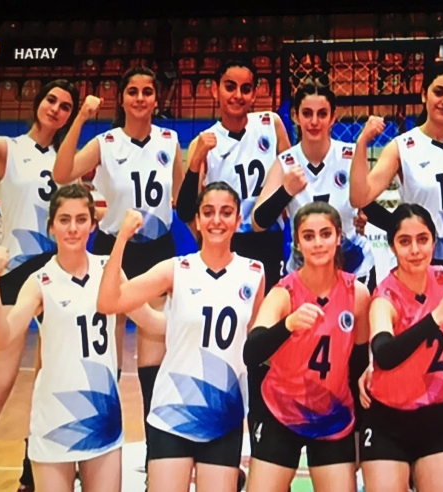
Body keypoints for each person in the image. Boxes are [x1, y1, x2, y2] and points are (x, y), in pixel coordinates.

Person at [0, 184, 164, 492]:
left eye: (81, 219)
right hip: (54, 420)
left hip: (102, 418)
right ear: (51, 226)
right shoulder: (40, 281)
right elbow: (3, 338)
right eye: (64, 220)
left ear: (93, 225)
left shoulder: (109, 270)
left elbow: (150, 321)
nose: (73, 228)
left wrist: (192, 317)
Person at [52, 66, 184, 465]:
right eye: (132, 91)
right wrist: (80, 118)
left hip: (158, 249)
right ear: (122, 98)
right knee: (105, 356)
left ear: (156, 99)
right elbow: (62, 173)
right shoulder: (106, 142)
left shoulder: (170, 139)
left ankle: (157, 454)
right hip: (115, 250)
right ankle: (97, 447)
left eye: (147, 91)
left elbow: (181, 196)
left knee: (152, 357)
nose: (140, 98)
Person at [96, 181, 264, 492]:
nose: (216, 220)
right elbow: (108, 302)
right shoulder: (176, 270)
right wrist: (120, 239)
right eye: (208, 212)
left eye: (226, 212)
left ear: (238, 219)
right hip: (171, 412)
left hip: (223, 415)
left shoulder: (254, 273)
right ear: (197, 220)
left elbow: (252, 345)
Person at [0, 79, 80, 492]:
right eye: (51, 100)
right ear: (38, 102)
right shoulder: (5, 147)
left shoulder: (68, 161)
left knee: (50, 380)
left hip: (56, 274)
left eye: (66, 106)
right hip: (14, 272)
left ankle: (32, 475)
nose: (56, 109)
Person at [243, 201, 370, 492]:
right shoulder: (283, 293)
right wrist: (287, 325)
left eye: (325, 234)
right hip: (281, 411)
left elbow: (359, 365)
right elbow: (252, 353)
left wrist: (360, 432)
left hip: (333, 416)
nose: (318, 243)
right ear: (297, 243)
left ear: (338, 237)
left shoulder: (357, 294)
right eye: (309, 236)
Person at [350, 62, 443, 284]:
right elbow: (360, 197)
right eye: (439, 92)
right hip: (424, 259)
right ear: (424, 95)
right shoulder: (401, 147)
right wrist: (362, 142)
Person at [357, 203, 443, 492]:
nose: (415, 250)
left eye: (422, 239)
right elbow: (384, 354)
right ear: (392, 246)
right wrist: (436, 317)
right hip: (388, 420)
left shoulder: (442, 277)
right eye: (404, 241)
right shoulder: (384, 297)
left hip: (438, 416)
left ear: (433, 241)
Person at [253, 80, 389, 290]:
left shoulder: (350, 155)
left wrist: (403, 225)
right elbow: (258, 222)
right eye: (307, 113)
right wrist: (285, 192)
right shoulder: (286, 162)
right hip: (303, 273)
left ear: (333, 117)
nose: (314, 121)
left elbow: (369, 207)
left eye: (322, 114)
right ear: (296, 116)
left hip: (354, 269)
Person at [175, 58, 292, 291]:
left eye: (245, 89)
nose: (238, 95)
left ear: (254, 94)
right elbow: (186, 210)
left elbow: (293, 180)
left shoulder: (271, 124)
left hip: (269, 238)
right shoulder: (204, 141)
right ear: (214, 90)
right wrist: (196, 160)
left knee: (267, 307)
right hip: (228, 240)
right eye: (230, 87)